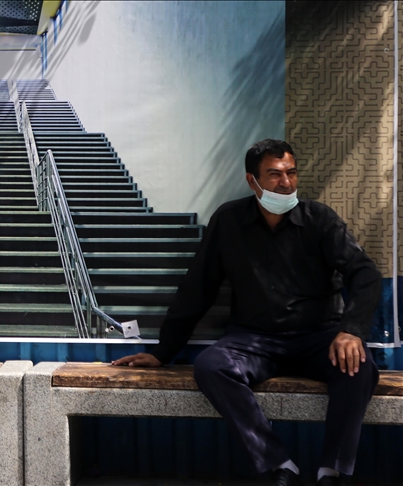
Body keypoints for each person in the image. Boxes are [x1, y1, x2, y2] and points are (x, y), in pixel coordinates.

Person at [113, 139, 381, 486]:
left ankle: (332, 471)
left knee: (358, 368)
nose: (286, 183)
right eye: (274, 175)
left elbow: (364, 273)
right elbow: (198, 288)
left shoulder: (320, 219)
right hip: (254, 341)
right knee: (211, 366)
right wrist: (163, 352)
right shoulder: (228, 221)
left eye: (291, 173)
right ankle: (279, 464)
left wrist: (352, 330)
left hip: (318, 337)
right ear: (252, 180)